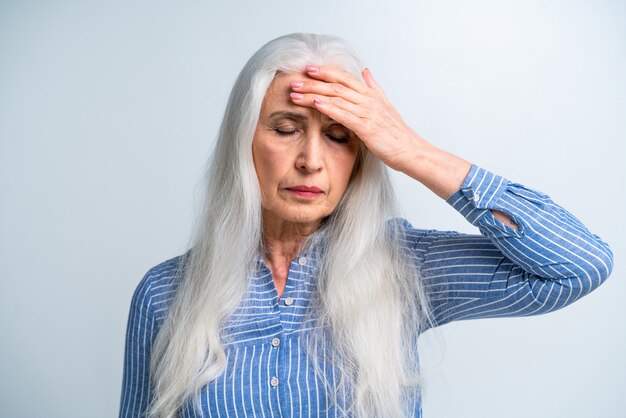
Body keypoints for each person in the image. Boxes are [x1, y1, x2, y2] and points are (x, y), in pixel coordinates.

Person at [119, 33, 614, 418]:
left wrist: (409, 150)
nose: (311, 160)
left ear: (362, 157)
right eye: (286, 129)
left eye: (339, 137)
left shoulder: (402, 268)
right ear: (244, 141)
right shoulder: (166, 295)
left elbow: (580, 266)